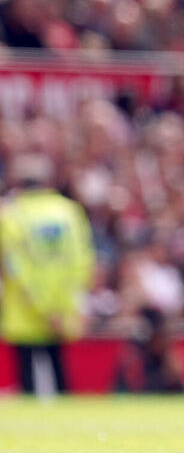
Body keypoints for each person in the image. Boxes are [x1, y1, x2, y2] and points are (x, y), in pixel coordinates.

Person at [0, 154, 96, 395]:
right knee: (61, 374)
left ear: (18, 183)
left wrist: (41, 307)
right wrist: (64, 304)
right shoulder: (70, 212)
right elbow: (82, 261)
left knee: (29, 380)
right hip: (63, 309)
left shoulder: (10, 215)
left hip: (25, 312)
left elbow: (15, 268)